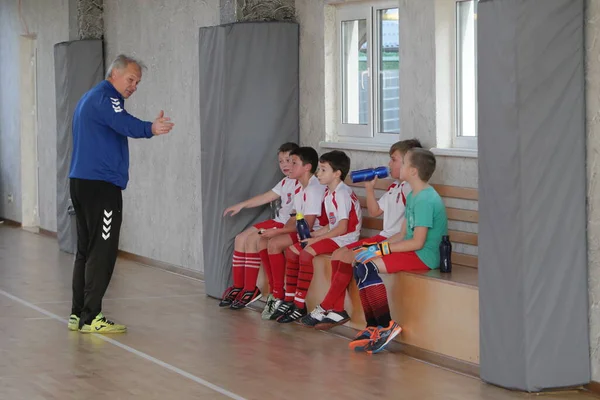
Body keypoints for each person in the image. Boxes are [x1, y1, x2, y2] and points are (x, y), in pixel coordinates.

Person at [67, 54, 174, 333]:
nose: (134, 86)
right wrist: (150, 128)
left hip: (81, 182)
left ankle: (78, 314)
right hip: (100, 186)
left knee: (86, 250)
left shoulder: (89, 98)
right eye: (131, 79)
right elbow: (124, 123)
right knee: (103, 250)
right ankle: (92, 317)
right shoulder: (107, 98)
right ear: (114, 74)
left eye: (137, 82)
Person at [306, 139, 422, 331]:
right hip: (383, 236)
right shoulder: (395, 187)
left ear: (409, 164)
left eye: (393, 160)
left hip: (391, 240)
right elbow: (375, 211)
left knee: (349, 255)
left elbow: (405, 232)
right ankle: (337, 309)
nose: (389, 164)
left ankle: (327, 305)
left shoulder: (411, 189)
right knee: (338, 254)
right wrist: (370, 188)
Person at [350, 148, 448, 353]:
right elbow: (403, 234)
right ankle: (373, 327)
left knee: (368, 267)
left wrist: (382, 250)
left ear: (412, 171)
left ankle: (386, 325)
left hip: (425, 256)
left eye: (403, 164)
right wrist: (377, 247)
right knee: (360, 263)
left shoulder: (425, 199)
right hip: (412, 249)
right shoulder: (413, 195)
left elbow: (418, 242)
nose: (398, 167)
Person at [277, 150, 362, 324]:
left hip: (346, 238)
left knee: (306, 253)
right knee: (294, 251)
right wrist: (315, 234)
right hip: (338, 235)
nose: (318, 173)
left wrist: (316, 240)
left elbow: (342, 227)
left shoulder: (341, 193)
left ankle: (302, 303)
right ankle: (296, 301)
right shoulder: (330, 192)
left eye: (323, 170)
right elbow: (332, 224)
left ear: (337, 174)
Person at [218, 142, 300, 310]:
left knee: (251, 241)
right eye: (281, 161)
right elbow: (265, 197)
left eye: (288, 160)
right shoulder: (285, 182)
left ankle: (251, 289)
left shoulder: (302, 183)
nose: (284, 165)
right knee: (240, 238)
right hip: (277, 221)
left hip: (284, 225)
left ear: (297, 161)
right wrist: (241, 205)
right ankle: (239, 286)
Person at [266, 146, 327, 320]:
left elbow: (307, 225)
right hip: (306, 233)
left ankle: (291, 300)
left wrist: (278, 231)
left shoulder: (314, 189)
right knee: (273, 242)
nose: (289, 167)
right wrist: (279, 229)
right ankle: (285, 297)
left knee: (277, 243)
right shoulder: (300, 187)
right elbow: (296, 218)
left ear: (307, 167)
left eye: (294, 163)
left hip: (317, 234)